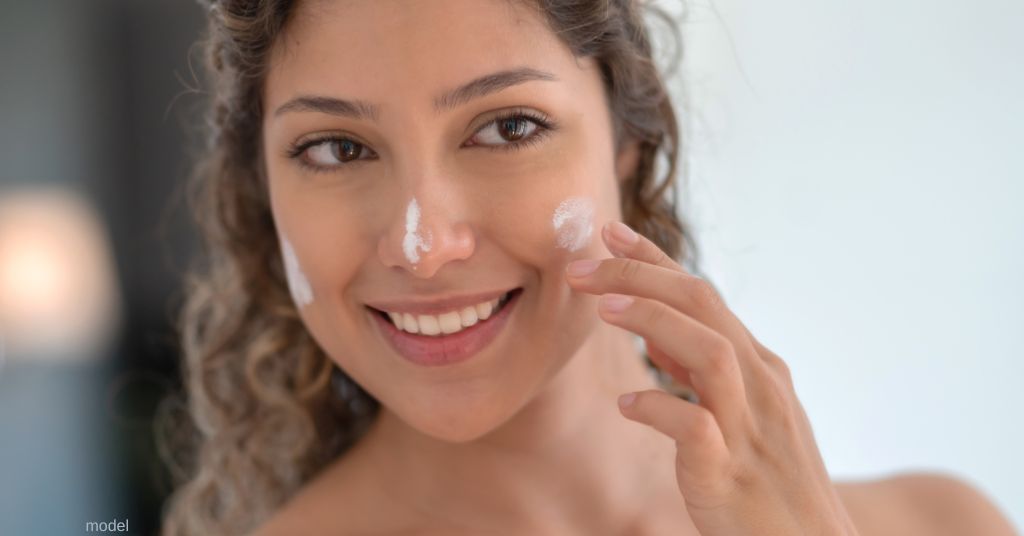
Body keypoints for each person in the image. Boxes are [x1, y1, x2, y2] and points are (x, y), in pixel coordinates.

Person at [159, 1, 1018, 534]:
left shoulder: (945, 524)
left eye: (507, 128)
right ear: (262, 188)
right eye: (337, 147)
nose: (423, 246)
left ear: (629, 149)